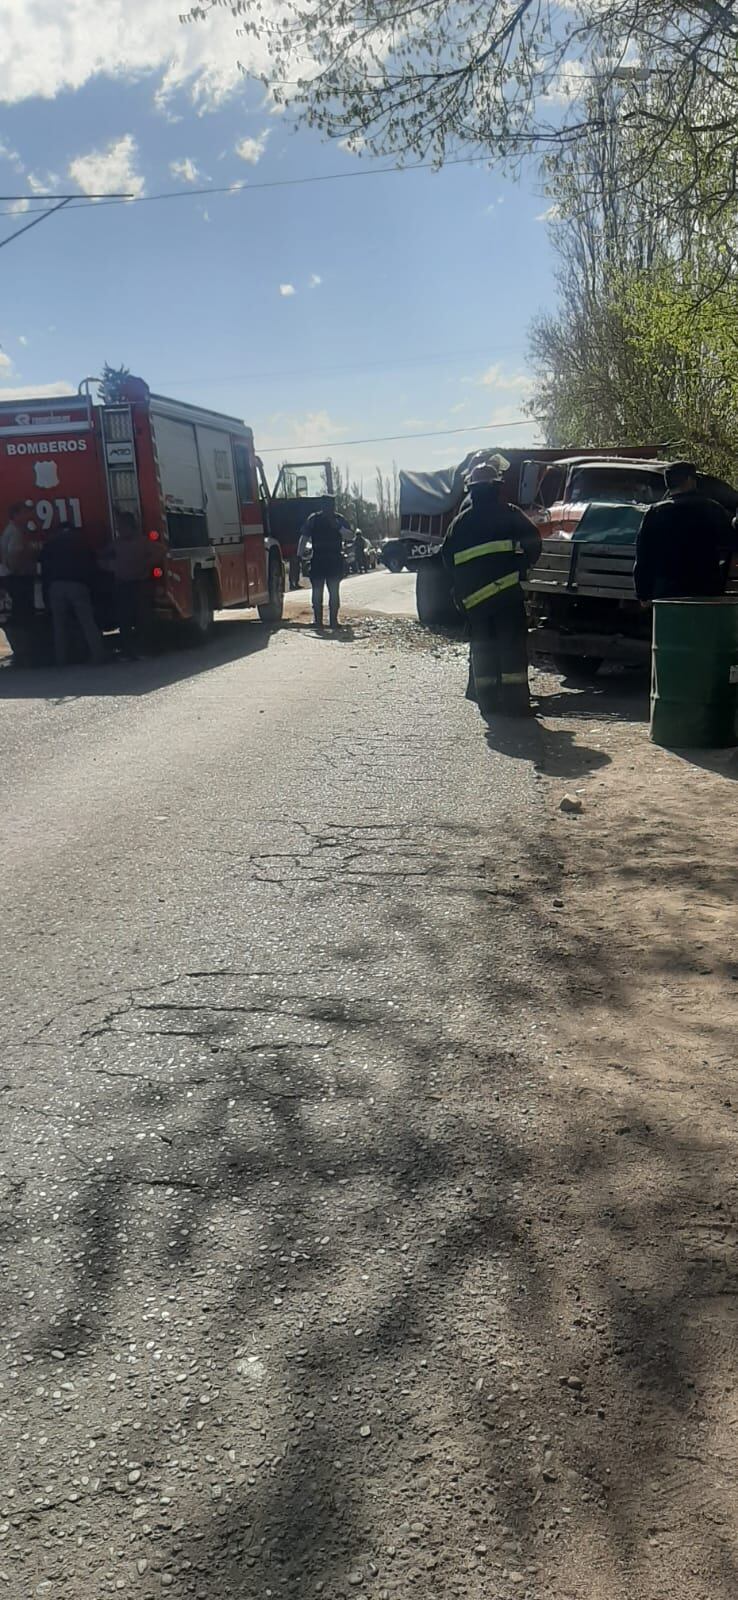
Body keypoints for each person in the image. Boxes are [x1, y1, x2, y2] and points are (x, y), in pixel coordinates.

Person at [442, 458, 542, 717]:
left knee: (483, 650)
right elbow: (535, 542)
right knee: (511, 649)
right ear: (497, 487)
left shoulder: (458, 524)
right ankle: (516, 704)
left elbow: (447, 561)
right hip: (507, 596)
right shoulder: (509, 513)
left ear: (471, 489)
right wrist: (522, 563)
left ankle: (489, 703)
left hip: (475, 603)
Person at [634, 461, 735, 601]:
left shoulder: (655, 512)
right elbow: (731, 541)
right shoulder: (711, 508)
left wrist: (643, 594)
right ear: (689, 480)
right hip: (705, 590)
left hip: (666, 593)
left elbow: (643, 555)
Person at [40, 522, 105, 666]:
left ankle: (61, 660)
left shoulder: (50, 543)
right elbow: (91, 563)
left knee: (59, 625)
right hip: (77, 585)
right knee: (87, 622)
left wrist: (46, 594)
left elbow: (44, 566)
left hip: (56, 586)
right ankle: (98, 656)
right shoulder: (80, 542)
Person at [108, 511, 151, 659]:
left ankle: (142, 649)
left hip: (139, 585)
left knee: (142, 619)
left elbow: (161, 550)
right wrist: (110, 565)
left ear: (130, 527)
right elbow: (103, 555)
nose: (119, 530)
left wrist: (145, 565)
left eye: (121, 527)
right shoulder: (117, 544)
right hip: (123, 586)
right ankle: (128, 650)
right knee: (124, 620)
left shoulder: (142, 542)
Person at [298, 495, 345, 629]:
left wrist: (338, 527)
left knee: (334, 591)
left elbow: (350, 535)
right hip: (319, 559)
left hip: (334, 559)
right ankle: (318, 621)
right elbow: (304, 537)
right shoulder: (314, 519)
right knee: (317, 591)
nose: (328, 508)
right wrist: (299, 554)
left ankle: (333, 621)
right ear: (322, 506)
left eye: (330, 505)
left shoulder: (338, 519)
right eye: (326, 505)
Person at [0, 502, 36, 625]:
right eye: (23, 513)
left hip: (9, 573)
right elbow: (14, 554)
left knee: (17, 602)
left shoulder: (9, 530)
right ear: (15, 515)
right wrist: (17, 570)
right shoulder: (15, 532)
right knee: (21, 602)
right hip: (15, 575)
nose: (26, 516)